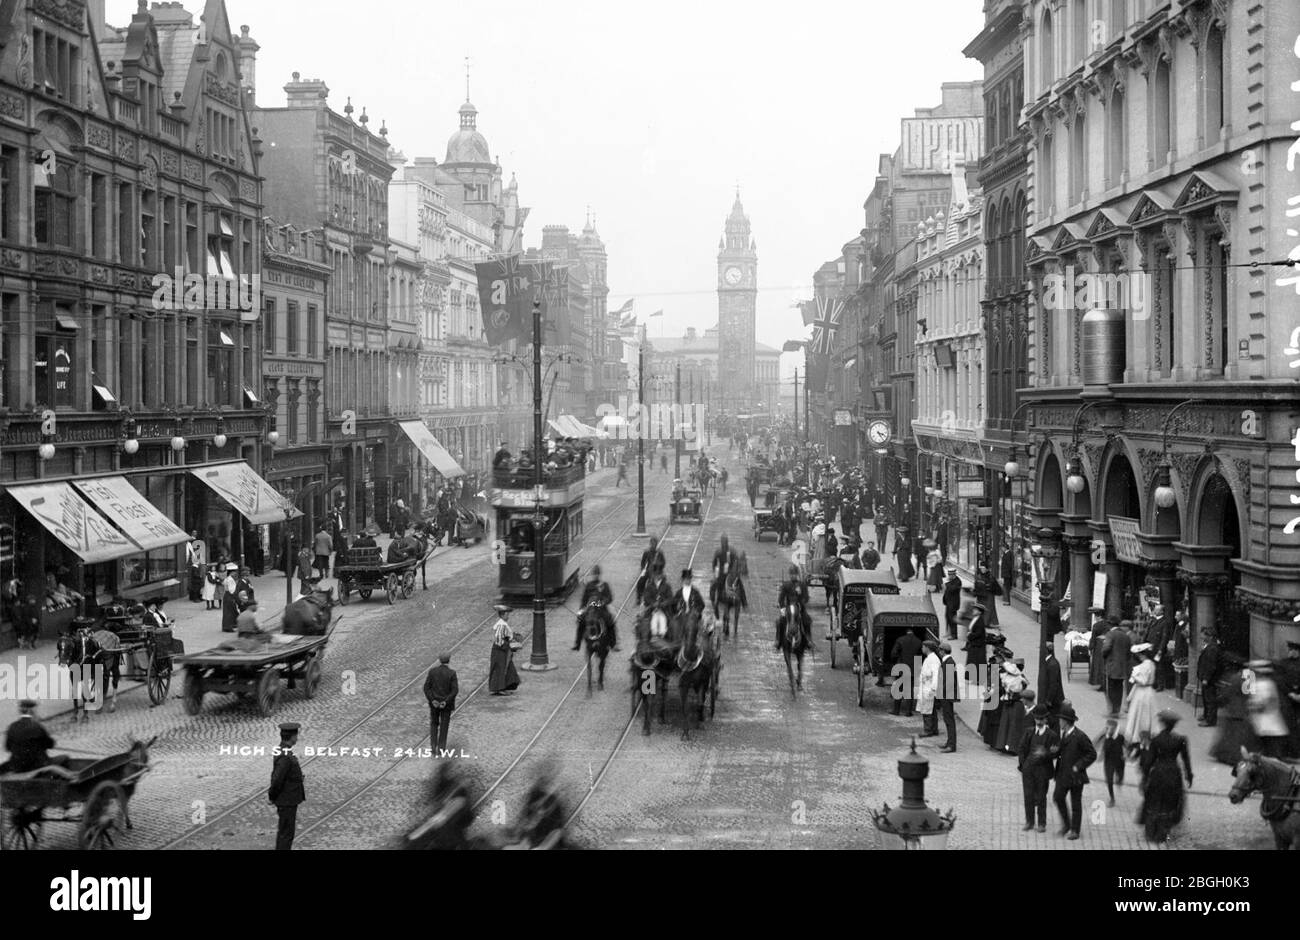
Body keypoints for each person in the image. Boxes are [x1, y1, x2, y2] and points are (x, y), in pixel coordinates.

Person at [1137, 710, 1193, 844]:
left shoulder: (1156, 740)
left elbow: (1149, 762)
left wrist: (1144, 778)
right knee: (1170, 802)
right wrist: (1189, 776)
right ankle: (1163, 832)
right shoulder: (1180, 740)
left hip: (1158, 773)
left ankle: (1151, 832)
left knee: (1154, 801)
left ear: (1162, 724)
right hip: (1173, 773)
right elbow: (1186, 760)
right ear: (1174, 725)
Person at [1052, 704, 1096, 840]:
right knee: (1058, 797)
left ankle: (1075, 830)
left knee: (1075, 803)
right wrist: (1054, 752)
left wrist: (1079, 765)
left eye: (1060, 720)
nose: (1059, 722)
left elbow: (1092, 754)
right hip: (1062, 774)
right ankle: (1067, 824)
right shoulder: (1064, 734)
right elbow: (1062, 750)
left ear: (1066, 721)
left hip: (1076, 776)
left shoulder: (1080, 736)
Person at [2, 700, 74, 778]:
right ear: (31, 711)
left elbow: (7, 748)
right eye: (35, 710)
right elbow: (50, 744)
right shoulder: (36, 726)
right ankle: (59, 783)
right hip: (38, 765)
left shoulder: (11, 727)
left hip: (17, 767)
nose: (36, 712)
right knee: (65, 758)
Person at [1017, 704, 1058, 832]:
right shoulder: (1029, 732)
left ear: (1046, 719)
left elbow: (1056, 753)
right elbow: (1022, 748)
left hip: (1043, 770)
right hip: (1029, 769)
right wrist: (1024, 764)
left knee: (1041, 797)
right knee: (1028, 796)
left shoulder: (1051, 735)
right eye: (1036, 719)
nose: (1039, 721)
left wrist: (1046, 753)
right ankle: (1029, 821)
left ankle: (1041, 823)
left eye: (1041, 719)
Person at [268, 723, 305, 850]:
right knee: (286, 833)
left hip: (288, 799)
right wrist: (272, 796)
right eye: (296, 735)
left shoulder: (283, 751)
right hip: (286, 800)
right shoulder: (285, 756)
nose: (297, 738)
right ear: (292, 737)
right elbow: (277, 779)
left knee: (286, 832)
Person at [1245, 660, 1288, 758]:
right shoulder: (1268, 683)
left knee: (1268, 748)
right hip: (1269, 722)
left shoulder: (1262, 685)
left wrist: (1252, 706)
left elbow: (1263, 703)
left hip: (1266, 723)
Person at [574, 565, 616, 651]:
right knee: (581, 621)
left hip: (601, 608)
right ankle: (577, 643)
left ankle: (613, 643)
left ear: (599, 575)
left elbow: (609, 597)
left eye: (597, 574)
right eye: (594, 574)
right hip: (590, 608)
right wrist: (581, 609)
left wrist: (603, 602)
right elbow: (584, 599)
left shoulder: (604, 585)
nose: (596, 575)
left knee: (610, 621)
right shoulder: (589, 585)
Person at [424, 653, 458, 752]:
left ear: (439, 660)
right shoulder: (452, 673)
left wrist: (432, 700)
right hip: (446, 705)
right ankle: (441, 748)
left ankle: (433, 746)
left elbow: (426, 688)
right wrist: (446, 701)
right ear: (449, 660)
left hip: (434, 704)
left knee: (434, 724)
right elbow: (454, 690)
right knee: (444, 725)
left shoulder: (432, 672)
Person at [1124, 644, 1158, 742]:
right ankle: (1148, 732)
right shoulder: (1152, 664)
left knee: (1139, 713)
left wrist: (1135, 676)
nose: (1139, 657)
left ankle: (1138, 735)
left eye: (1139, 655)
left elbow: (1143, 681)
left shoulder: (1143, 666)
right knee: (1149, 712)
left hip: (1142, 691)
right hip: (1150, 691)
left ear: (1142, 655)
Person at [1102, 619, 1133, 716]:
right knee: (1119, 688)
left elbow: (1106, 647)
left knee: (1111, 688)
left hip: (1112, 665)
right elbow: (1129, 652)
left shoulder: (1110, 634)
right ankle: (1117, 709)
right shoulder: (1126, 636)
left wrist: (1104, 655)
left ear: (1110, 625)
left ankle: (1111, 710)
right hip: (1122, 666)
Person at [1094, 716, 1127, 807]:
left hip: (1119, 760)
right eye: (1107, 727)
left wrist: (1127, 754)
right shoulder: (1104, 735)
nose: (1107, 730)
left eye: (1110, 728)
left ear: (1115, 728)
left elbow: (1127, 746)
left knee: (1119, 777)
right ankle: (1112, 798)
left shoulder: (1120, 737)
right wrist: (1099, 754)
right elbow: (1096, 742)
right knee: (1109, 780)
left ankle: (1120, 780)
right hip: (1108, 761)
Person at [890, 628, 923, 717]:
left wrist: (895, 662)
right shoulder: (919, 641)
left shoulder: (900, 640)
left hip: (901, 667)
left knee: (899, 689)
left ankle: (896, 710)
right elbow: (920, 656)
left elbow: (893, 653)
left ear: (906, 632)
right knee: (909, 689)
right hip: (912, 669)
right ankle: (908, 712)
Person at [489, 605, 520, 695]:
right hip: (500, 650)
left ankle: (505, 686)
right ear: (502, 615)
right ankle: (499, 688)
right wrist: (508, 646)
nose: (508, 616)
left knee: (507, 667)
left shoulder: (503, 624)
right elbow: (499, 640)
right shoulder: (501, 625)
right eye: (507, 614)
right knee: (500, 668)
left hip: (503, 649)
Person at [998, 686, 1036, 755]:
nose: (1021, 700)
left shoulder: (1035, 711)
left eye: (1023, 699)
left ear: (1027, 700)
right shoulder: (1023, 708)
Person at [937, 642, 959, 752]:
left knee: (949, 720)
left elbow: (949, 682)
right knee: (947, 719)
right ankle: (949, 742)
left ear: (942, 651)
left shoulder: (949, 662)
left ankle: (951, 745)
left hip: (947, 695)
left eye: (939, 650)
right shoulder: (948, 661)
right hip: (946, 695)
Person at [917, 640, 941, 737]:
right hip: (927, 685)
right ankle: (933, 729)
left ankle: (928, 730)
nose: (922, 649)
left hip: (929, 687)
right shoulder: (930, 658)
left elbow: (935, 674)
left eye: (923, 647)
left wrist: (933, 688)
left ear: (927, 648)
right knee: (931, 709)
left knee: (927, 709)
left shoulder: (933, 659)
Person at [1041, 642, 1065, 732]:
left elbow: (1053, 684)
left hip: (1054, 700)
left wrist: (1048, 700)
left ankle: (1055, 743)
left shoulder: (1052, 664)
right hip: (1052, 699)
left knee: (1053, 723)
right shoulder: (1049, 662)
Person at [220, 562, 240, 632]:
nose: (235, 573)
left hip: (226, 596)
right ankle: (229, 626)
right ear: (231, 572)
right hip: (230, 596)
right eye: (234, 572)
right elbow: (232, 590)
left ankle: (228, 625)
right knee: (230, 612)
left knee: (228, 611)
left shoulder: (227, 578)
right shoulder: (231, 580)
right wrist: (235, 598)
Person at [186, 533, 206, 602]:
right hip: (193, 564)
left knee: (199, 585)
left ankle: (198, 596)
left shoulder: (198, 547)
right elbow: (188, 555)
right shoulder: (189, 545)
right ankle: (194, 597)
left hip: (197, 564)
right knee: (194, 585)